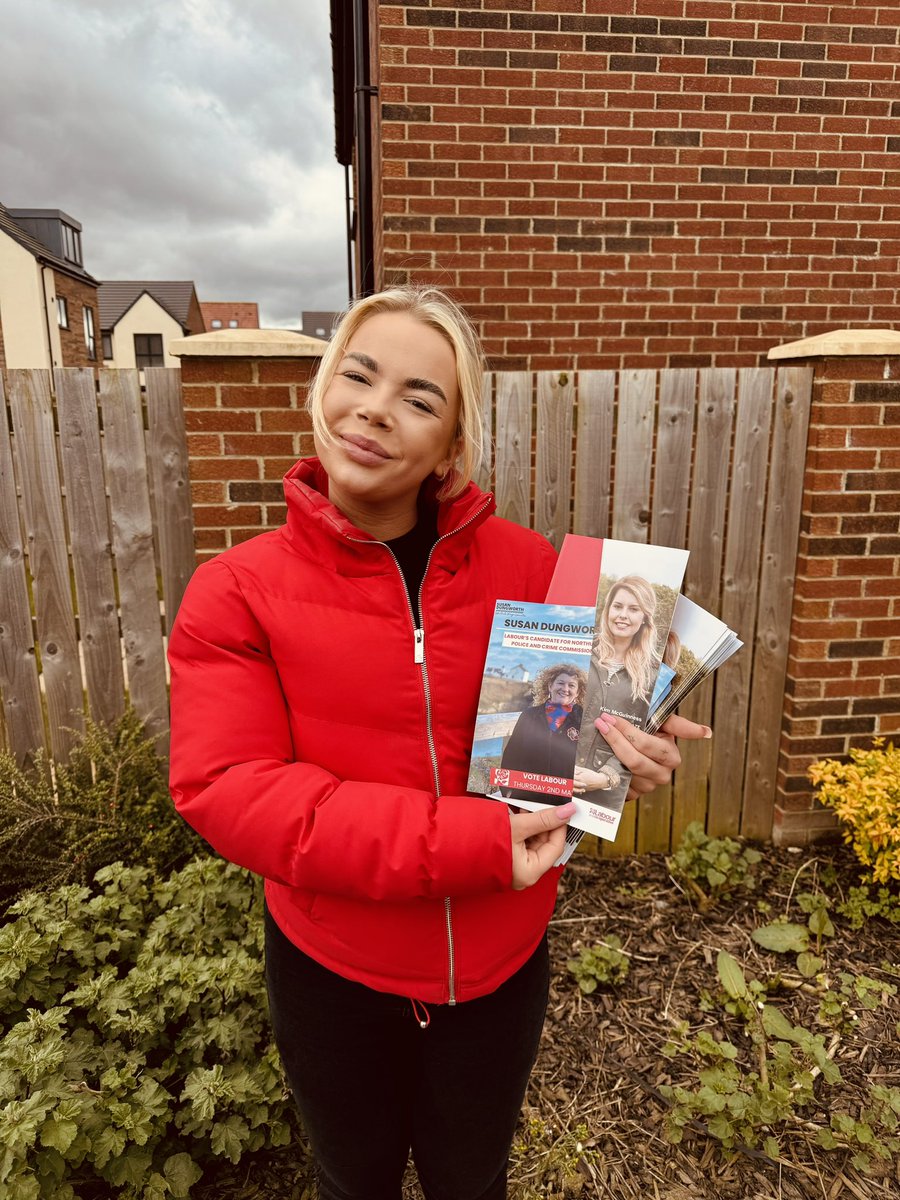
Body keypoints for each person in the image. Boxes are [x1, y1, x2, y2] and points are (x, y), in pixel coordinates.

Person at [167, 286, 710, 1200]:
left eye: (420, 397)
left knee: (474, 1180)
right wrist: (466, 844)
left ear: (452, 443)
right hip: (335, 976)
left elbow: (562, 755)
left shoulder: (536, 572)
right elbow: (230, 788)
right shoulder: (237, 592)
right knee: (356, 1182)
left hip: (498, 970)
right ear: (324, 391)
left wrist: (629, 750)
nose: (376, 408)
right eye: (358, 375)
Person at [574, 576, 659, 800]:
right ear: (608, 610)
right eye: (618, 606)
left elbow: (644, 738)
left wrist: (606, 777)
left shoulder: (653, 674)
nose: (623, 615)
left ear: (644, 618)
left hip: (602, 794)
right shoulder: (578, 648)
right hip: (554, 778)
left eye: (633, 609)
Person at [498, 663, 587, 804]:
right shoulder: (528, 715)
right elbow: (512, 754)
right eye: (561, 683)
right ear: (550, 686)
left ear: (578, 692)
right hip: (525, 798)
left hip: (565, 801)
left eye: (571, 685)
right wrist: (506, 789)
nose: (565, 689)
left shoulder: (584, 721)